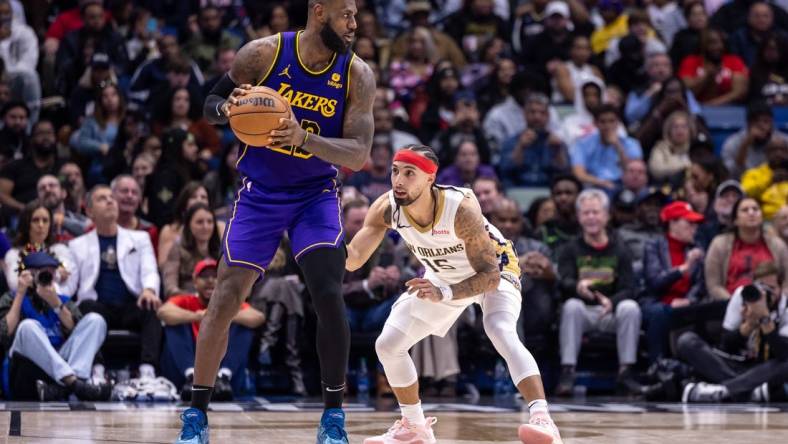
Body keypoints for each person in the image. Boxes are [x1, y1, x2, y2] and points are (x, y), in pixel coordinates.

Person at [178, 0, 376, 441]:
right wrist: (228, 111)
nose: (354, 24)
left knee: (328, 292)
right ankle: (196, 414)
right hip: (260, 192)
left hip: (315, 194)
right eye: (346, 15)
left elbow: (359, 154)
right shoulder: (263, 54)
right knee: (226, 296)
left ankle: (333, 417)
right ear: (319, 11)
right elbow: (209, 102)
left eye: (356, 16)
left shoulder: (357, 74)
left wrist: (304, 138)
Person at [345, 145, 562, 444]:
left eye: (410, 173)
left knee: (499, 329)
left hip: (494, 269)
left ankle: (543, 419)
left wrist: (443, 292)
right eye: (396, 171)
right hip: (443, 276)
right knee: (388, 344)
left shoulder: (460, 208)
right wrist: (324, 244)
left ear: (430, 179)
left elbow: (488, 276)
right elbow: (353, 257)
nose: (399, 180)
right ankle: (414, 427)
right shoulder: (386, 207)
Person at [64, 186, 162, 383]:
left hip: (130, 305)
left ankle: (147, 370)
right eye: (102, 199)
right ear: (89, 211)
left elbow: (150, 270)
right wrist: (56, 288)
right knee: (86, 308)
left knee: (152, 308)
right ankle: (97, 369)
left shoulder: (139, 238)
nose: (110, 201)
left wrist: (149, 290)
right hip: (98, 307)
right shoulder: (77, 245)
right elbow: (70, 284)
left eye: (111, 197)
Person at [555, 189, 642, 396]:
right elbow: (563, 281)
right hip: (583, 311)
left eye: (596, 212)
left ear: (606, 215)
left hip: (610, 313)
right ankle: (568, 371)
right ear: (579, 217)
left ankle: (626, 372)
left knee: (630, 307)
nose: (591, 217)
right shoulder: (570, 249)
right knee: (571, 307)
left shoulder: (620, 249)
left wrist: (612, 302)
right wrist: (578, 287)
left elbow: (630, 288)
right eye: (586, 213)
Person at [0, 250, 110, 401]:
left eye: (49, 273)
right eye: (40, 273)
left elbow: (78, 333)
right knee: (27, 326)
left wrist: (56, 304)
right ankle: (74, 383)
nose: (45, 278)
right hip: (25, 369)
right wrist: (20, 293)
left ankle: (65, 386)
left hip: (57, 367)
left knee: (95, 320)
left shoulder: (61, 300)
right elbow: (3, 333)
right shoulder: (12, 298)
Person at [678, 261, 788, 402]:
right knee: (686, 341)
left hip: (766, 369)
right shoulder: (743, 295)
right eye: (761, 286)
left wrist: (765, 320)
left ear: (781, 288)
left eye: (771, 288)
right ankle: (746, 391)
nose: (765, 293)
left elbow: (783, 354)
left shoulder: (785, 308)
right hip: (737, 366)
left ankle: (723, 390)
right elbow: (726, 345)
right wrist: (748, 326)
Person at [158, 259, 264, 400]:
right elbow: (163, 312)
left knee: (244, 324)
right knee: (173, 322)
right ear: (195, 281)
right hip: (185, 369)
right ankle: (191, 376)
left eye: (215, 276)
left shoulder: (231, 302)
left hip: (224, 373)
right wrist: (197, 316)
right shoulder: (185, 300)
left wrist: (221, 316)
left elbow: (258, 317)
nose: (210, 281)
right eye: (204, 276)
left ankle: (223, 377)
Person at [641, 201, 707, 363]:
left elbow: (700, 284)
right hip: (656, 303)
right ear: (673, 223)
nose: (694, 228)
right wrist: (683, 268)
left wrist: (689, 300)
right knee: (659, 312)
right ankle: (657, 365)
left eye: (695, 224)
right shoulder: (653, 246)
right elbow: (655, 282)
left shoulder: (696, 248)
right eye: (689, 223)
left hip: (685, 304)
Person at [705, 197, 788, 302]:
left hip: (772, 306)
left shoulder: (778, 245)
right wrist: (734, 304)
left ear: (762, 217)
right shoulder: (719, 245)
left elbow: (786, 281)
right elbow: (714, 285)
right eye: (745, 210)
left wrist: (778, 301)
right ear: (735, 220)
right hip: (729, 306)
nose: (751, 213)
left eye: (755, 209)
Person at [499, 94, 570, 187]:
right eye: (532, 112)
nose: (537, 117)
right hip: (518, 190)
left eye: (542, 113)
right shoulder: (511, 142)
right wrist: (520, 147)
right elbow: (504, 170)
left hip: (548, 192)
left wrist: (558, 151)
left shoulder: (557, 143)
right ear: (524, 114)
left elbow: (565, 172)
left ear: (548, 116)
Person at [3, 203, 72, 294]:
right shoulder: (13, 254)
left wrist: (30, 275)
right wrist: (56, 274)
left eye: (45, 220)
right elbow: (14, 283)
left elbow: (68, 280)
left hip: (56, 302)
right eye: (35, 220)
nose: (41, 225)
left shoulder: (60, 249)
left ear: (50, 225)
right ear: (26, 224)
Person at [571, 105, 644, 191]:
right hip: (594, 186)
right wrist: (601, 182)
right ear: (595, 123)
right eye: (603, 122)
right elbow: (579, 174)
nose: (608, 125)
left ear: (618, 123)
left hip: (623, 186)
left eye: (612, 121)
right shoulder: (583, 144)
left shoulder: (632, 144)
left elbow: (634, 172)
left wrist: (617, 146)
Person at [70, 83, 126, 186]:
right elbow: (82, 142)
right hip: (101, 165)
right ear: (100, 100)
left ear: (120, 97)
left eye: (113, 95)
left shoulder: (128, 119)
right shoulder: (92, 121)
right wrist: (100, 147)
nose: (110, 99)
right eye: (105, 96)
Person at [0, 120, 60, 214]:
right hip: (22, 217)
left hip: (61, 215)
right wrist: (24, 208)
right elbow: (2, 194)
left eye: (49, 133)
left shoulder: (64, 166)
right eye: (40, 133)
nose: (46, 137)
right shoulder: (15, 166)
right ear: (32, 138)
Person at [162, 203, 221, 296]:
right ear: (189, 225)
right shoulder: (177, 249)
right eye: (199, 222)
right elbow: (170, 286)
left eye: (210, 222)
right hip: (185, 303)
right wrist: (192, 299)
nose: (205, 227)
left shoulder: (222, 252)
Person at [678, 28, 748, 105]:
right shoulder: (690, 62)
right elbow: (688, 92)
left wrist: (712, 104)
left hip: (728, 109)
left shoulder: (734, 61)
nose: (718, 46)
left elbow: (738, 92)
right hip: (696, 109)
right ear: (703, 44)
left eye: (721, 42)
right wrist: (707, 77)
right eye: (712, 43)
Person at [721, 101, 788, 179]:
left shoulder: (783, 141)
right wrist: (745, 144)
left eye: (766, 121)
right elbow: (732, 174)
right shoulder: (732, 143)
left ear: (772, 122)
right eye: (756, 122)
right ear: (748, 123)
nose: (762, 126)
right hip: (744, 186)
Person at [741, 138, 788, 219]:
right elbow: (746, 192)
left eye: (783, 150)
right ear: (766, 153)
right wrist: (769, 180)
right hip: (764, 221)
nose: (778, 153)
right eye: (774, 150)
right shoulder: (753, 174)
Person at [36, 175, 90, 243]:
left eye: (52, 185)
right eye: (42, 188)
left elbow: (92, 234)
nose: (47, 189)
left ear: (63, 193)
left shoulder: (79, 218)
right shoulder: (33, 222)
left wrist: (63, 220)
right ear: (38, 199)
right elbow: (24, 249)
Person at [111, 175, 158, 252]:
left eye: (134, 192)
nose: (130, 196)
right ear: (112, 195)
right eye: (124, 191)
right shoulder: (97, 228)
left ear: (140, 199)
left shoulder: (149, 230)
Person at [538, 174, 582, 253]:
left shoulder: (589, 229)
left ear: (579, 196)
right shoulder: (543, 231)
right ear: (552, 197)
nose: (563, 198)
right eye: (558, 193)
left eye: (568, 193)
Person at [648, 110, 696, 182]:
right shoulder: (660, 148)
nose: (680, 130)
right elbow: (656, 169)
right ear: (669, 130)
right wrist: (684, 167)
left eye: (683, 126)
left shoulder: (697, 149)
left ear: (690, 130)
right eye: (675, 127)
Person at [747, 33, 788, 106]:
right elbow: (752, 99)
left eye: (773, 49)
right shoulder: (755, 71)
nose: (770, 52)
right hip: (764, 112)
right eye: (766, 48)